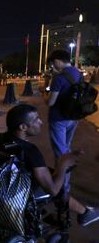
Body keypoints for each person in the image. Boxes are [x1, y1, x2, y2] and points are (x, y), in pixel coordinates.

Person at [0, 104, 99, 227]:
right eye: (36, 120)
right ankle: (84, 213)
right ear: (23, 127)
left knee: (51, 173)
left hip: (2, 183)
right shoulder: (31, 151)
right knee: (58, 185)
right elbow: (52, 190)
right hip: (20, 191)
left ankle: (84, 211)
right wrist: (63, 164)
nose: (41, 122)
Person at [44, 49, 82, 196]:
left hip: (58, 119)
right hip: (73, 118)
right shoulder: (78, 74)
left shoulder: (59, 78)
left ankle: (62, 190)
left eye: (53, 64)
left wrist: (44, 94)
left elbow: (50, 102)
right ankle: (65, 183)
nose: (53, 67)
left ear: (58, 61)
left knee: (61, 154)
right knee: (65, 148)